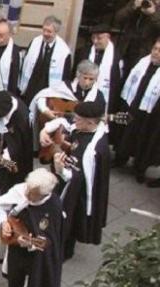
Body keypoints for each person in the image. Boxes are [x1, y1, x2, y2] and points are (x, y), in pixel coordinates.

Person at [0, 168, 64, 287]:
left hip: (40, 254)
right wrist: (4, 223)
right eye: (28, 190)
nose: (28, 195)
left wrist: (31, 244)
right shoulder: (21, 189)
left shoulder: (53, 206)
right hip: (18, 244)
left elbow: (51, 239)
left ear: (44, 194)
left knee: (44, 281)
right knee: (15, 272)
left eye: (33, 194)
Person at [40, 101, 110, 259]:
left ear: (90, 122)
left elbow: (84, 180)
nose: (74, 121)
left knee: (70, 219)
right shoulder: (81, 127)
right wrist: (45, 131)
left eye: (78, 119)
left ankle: (64, 252)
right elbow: (63, 121)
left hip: (77, 193)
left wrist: (61, 170)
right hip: (66, 181)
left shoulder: (94, 150)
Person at [116, 38, 160, 186]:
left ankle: (140, 168)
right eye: (155, 48)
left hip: (150, 112)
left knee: (144, 139)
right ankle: (120, 158)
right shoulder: (142, 62)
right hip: (133, 104)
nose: (156, 53)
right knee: (125, 132)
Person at [29, 60, 106, 140]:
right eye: (85, 78)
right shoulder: (65, 87)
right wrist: (45, 110)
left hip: (83, 133)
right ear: (78, 75)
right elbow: (42, 95)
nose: (87, 82)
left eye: (91, 79)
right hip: (56, 129)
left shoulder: (98, 96)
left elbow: (98, 120)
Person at [19, 16, 72, 105]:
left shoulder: (64, 51)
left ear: (56, 32)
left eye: (49, 31)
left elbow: (66, 76)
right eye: (44, 30)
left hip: (48, 90)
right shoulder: (35, 42)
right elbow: (26, 64)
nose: (45, 33)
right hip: (31, 87)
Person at [74, 24, 123, 115]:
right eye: (93, 38)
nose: (95, 41)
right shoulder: (84, 53)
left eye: (99, 38)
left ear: (108, 37)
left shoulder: (117, 58)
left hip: (103, 99)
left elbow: (116, 85)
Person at [114, 0, 160, 76]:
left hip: (145, 54)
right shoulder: (137, 3)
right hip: (125, 50)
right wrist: (133, 6)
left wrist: (153, 14)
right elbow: (118, 19)